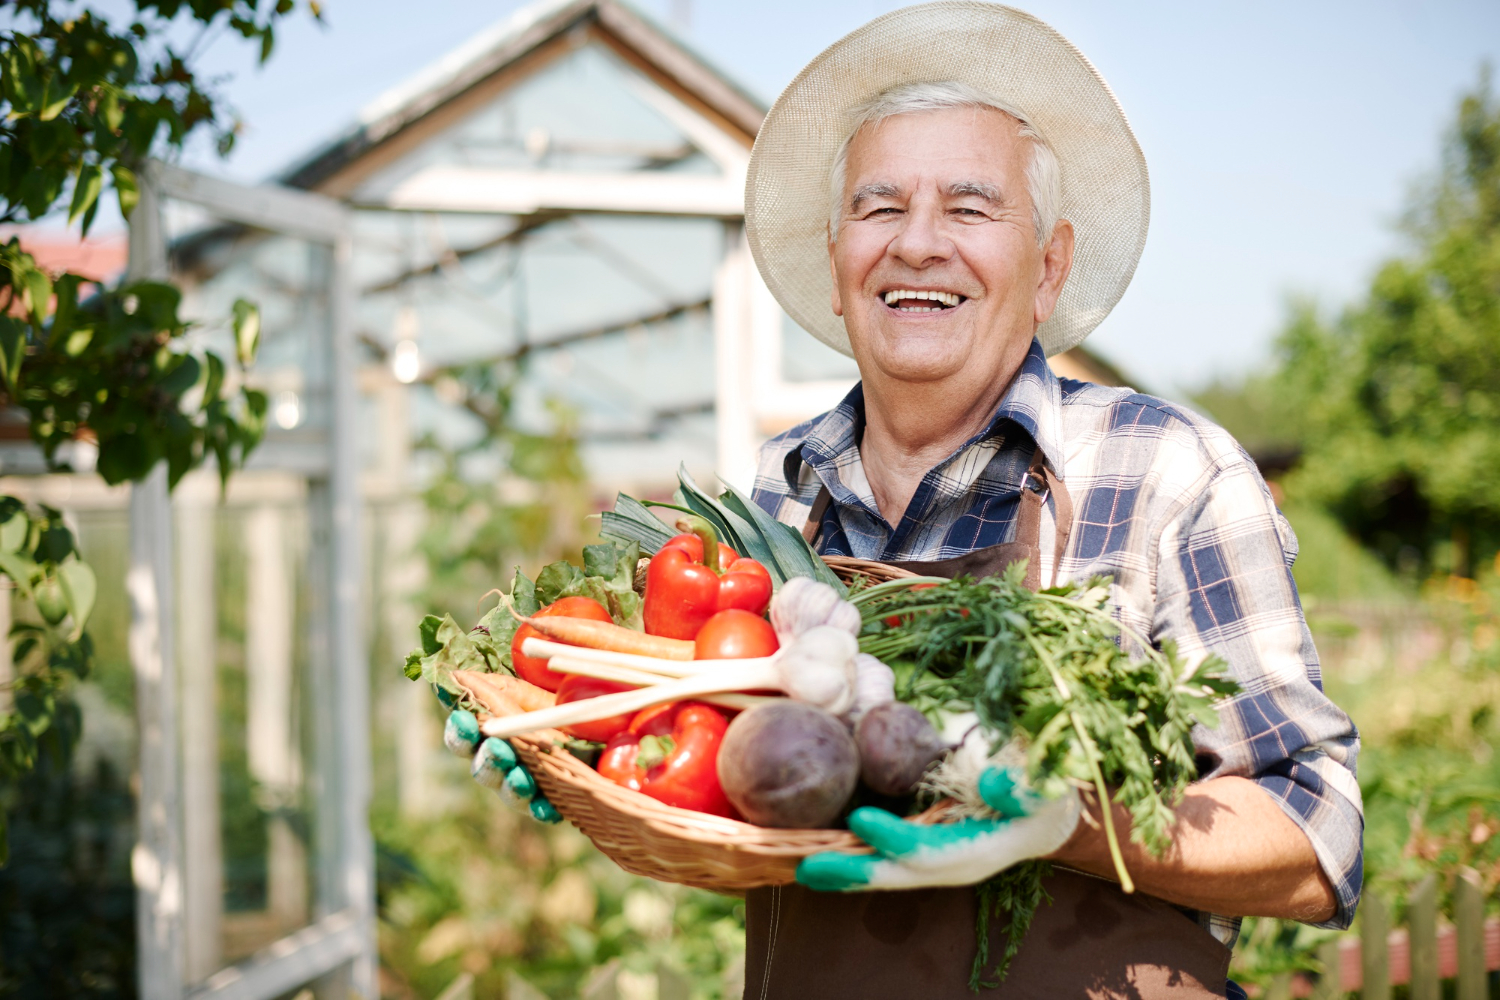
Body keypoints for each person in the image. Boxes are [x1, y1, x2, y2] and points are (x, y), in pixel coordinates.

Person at [445, 5, 1362, 997]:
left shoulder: (1166, 472)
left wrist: (1069, 824)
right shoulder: (777, 495)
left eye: (970, 209)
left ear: (1047, 266)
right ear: (836, 264)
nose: (918, 243)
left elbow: (1318, 835)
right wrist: (596, 753)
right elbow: (786, 807)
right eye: (880, 208)